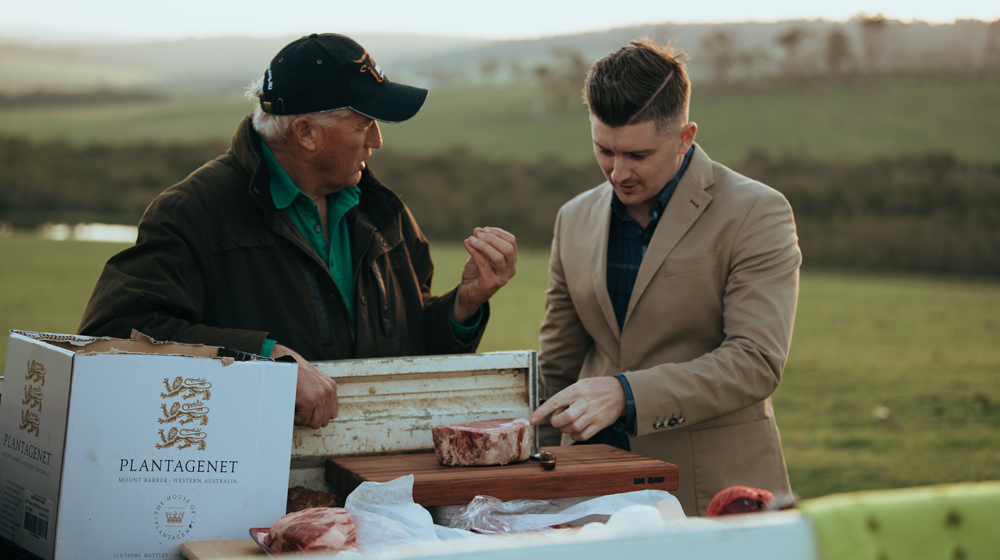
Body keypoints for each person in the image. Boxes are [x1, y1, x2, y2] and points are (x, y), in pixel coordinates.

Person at [78, 33, 517, 430]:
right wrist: (266, 358)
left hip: (374, 479)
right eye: (365, 124)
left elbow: (408, 344)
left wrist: (463, 304)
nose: (377, 141)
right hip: (253, 483)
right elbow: (113, 333)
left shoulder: (385, 212)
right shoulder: (193, 212)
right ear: (306, 133)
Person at [529, 39, 800, 516]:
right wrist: (533, 483)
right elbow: (557, 369)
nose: (618, 172)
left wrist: (626, 393)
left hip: (713, 493)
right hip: (591, 495)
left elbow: (756, 361)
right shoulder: (571, 218)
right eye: (604, 150)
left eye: (637, 155)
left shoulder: (758, 212)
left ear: (685, 136)